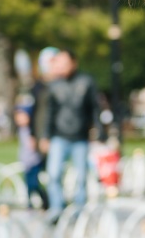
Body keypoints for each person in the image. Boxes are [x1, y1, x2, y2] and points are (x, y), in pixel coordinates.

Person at [44, 48, 101, 223]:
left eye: (64, 63)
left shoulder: (86, 82)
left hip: (80, 137)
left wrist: (99, 132)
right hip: (59, 136)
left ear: (73, 63)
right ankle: (57, 207)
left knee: (81, 176)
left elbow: (94, 109)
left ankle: (79, 210)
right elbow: (49, 113)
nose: (61, 67)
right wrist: (45, 136)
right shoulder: (54, 85)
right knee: (53, 174)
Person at [14, 106, 48, 210]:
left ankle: (45, 201)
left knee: (34, 184)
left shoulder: (32, 130)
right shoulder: (21, 130)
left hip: (34, 161)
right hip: (26, 162)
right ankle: (30, 204)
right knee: (29, 185)